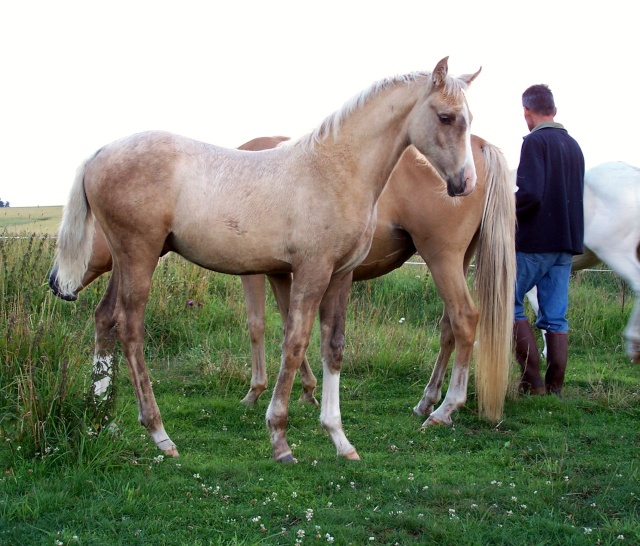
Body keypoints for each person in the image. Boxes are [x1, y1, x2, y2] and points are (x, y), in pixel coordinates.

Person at [513, 84, 585, 396]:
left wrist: (504, 209)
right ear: (553, 110)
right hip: (566, 244)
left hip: (535, 242)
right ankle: (555, 386)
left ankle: (533, 382)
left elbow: (530, 193)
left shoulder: (534, 142)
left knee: (506, 304)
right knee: (556, 317)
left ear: (527, 112)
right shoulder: (573, 145)